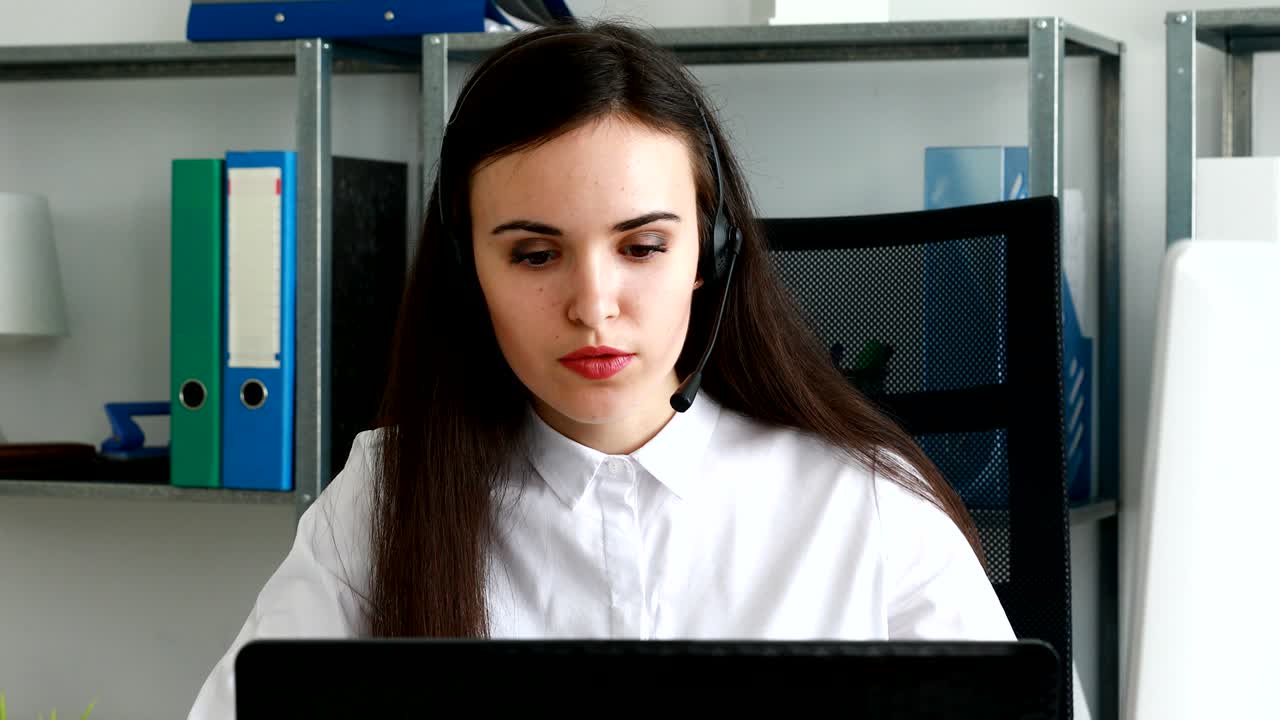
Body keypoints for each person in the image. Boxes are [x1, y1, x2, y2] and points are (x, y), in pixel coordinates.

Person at [187, 18, 1050, 718]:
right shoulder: (385, 498)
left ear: (710, 253)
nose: (593, 306)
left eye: (642, 247)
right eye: (534, 255)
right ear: (467, 270)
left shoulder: (866, 502)